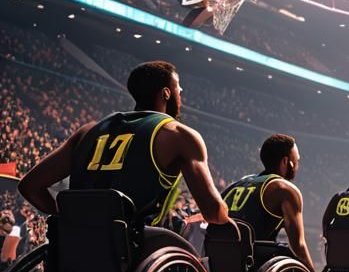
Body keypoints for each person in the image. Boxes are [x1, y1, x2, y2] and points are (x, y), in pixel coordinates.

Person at [19, 60, 232, 257]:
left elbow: (29, 186)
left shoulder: (88, 131)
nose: (181, 94)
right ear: (166, 93)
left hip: (77, 246)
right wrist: (226, 213)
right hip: (131, 251)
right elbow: (213, 212)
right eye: (178, 89)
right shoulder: (178, 135)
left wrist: (67, 218)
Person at [219, 133, 316, 272]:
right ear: (286, 162)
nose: (297, 165)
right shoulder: (284, 190)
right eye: (297, 160)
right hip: (252, 268)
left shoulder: (239, 184)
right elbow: (298, 246)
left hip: (221, 262)